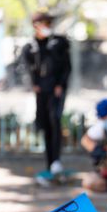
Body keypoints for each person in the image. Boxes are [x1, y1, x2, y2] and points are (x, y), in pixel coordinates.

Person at [23, 10, 71, 176]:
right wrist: (34, 84)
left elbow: (66, 66)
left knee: (55, 120)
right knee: (45, 125)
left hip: (56, 90)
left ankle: (57, 161)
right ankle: (49, 162)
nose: (47, 27)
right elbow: (28, 68)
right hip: (41, 91)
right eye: (44, 23)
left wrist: (60, 84)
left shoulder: (59, 42)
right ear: (36, 26)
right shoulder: (31, 46)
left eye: (49, 23)